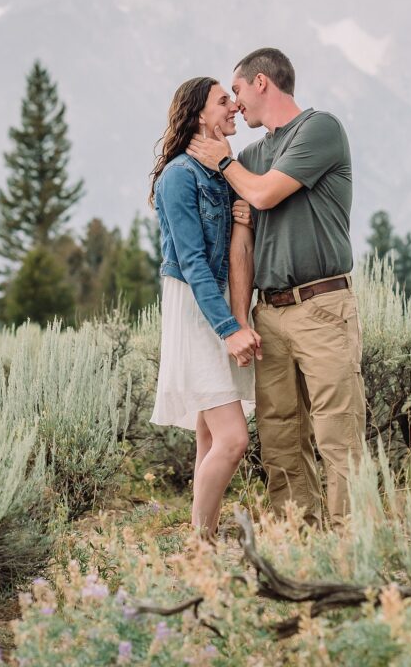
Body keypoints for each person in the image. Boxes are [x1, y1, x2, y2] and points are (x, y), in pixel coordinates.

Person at [187, 48, 365, 529]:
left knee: (337, 432)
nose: (236, 104)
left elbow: (263, 194)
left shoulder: (319, 129)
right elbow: (241, 247)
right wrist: (241, 319)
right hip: (270, 312)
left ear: (261, 82)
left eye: (237, 91)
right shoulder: (250, 156)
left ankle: (353, 544)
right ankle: (298, 535)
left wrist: (226, 166)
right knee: (280, 433)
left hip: (322, 305)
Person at [149, 76, 262, 537]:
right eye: (223, 101)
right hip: (199, 309)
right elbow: (193, 261)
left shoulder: (222, 169)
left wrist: (243, 217)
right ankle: (200, 541)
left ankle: (205, 544)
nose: (234, 106)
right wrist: (228, 327)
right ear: (199, 114)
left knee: (211, 434)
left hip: (220, 304)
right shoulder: (179, 175)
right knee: (234, 439)